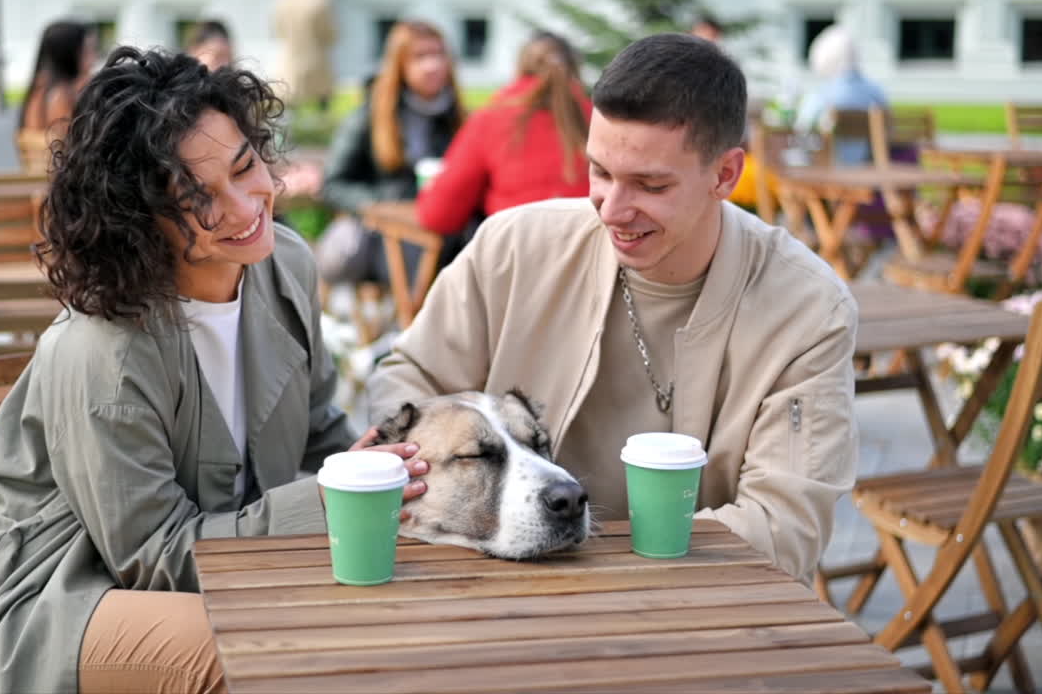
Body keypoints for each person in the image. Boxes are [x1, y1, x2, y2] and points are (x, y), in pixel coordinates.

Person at [0, 47, 428, 694]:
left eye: (245, 166)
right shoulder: (103, 349)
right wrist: (319, 504)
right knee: (246, 655)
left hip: (204, 569)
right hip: (42, 592)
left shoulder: (285, 264)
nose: (244, 208)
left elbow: (317, 428)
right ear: (139, 220)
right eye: (198, 199)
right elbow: (154, 556)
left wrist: (376, 479)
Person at [367, 33, 858, 585]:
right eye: (600, 172)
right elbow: (409, 381)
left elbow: (786, 529)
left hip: (699, 601)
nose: (613, 210)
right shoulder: (514, 246)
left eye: (650, 185)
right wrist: (413, 477)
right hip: (504, 584)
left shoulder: (808, 308)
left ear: (725, 175)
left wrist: (604, 568)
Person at [317, 20, 465, 284]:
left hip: (444, 230)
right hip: (386, 233)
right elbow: (333, 185)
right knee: (413, 251)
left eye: (439, 54)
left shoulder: (457, 118)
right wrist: (385, 203)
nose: (433, 65)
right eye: (421, 56)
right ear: (400, 64)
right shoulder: (371, 115)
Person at [415, 31, 592, 237]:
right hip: (592, 249)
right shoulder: (601, 119)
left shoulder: (492, 118)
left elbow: (438, 215)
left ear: (520, 67)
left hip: (518, 247)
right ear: (576, 68)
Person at [794, 24, 888, 164]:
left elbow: (802, 127)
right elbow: (888, 126)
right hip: (867, 164)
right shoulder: (875, 90)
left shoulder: (822, 93)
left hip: (828, 166)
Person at [18, 20, 98, 141]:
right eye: (87, 51)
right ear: (68, 54)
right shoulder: (60, 94)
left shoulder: (42, 87)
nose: (94, 58)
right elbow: (73, 141)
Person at [272, 0, 337, 112]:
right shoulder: (321, 1)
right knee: (321, 112)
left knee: (288, 111)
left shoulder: (285, 0)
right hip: (315, 65)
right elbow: (329, 36)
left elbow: (278, 31)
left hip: (288, 64)